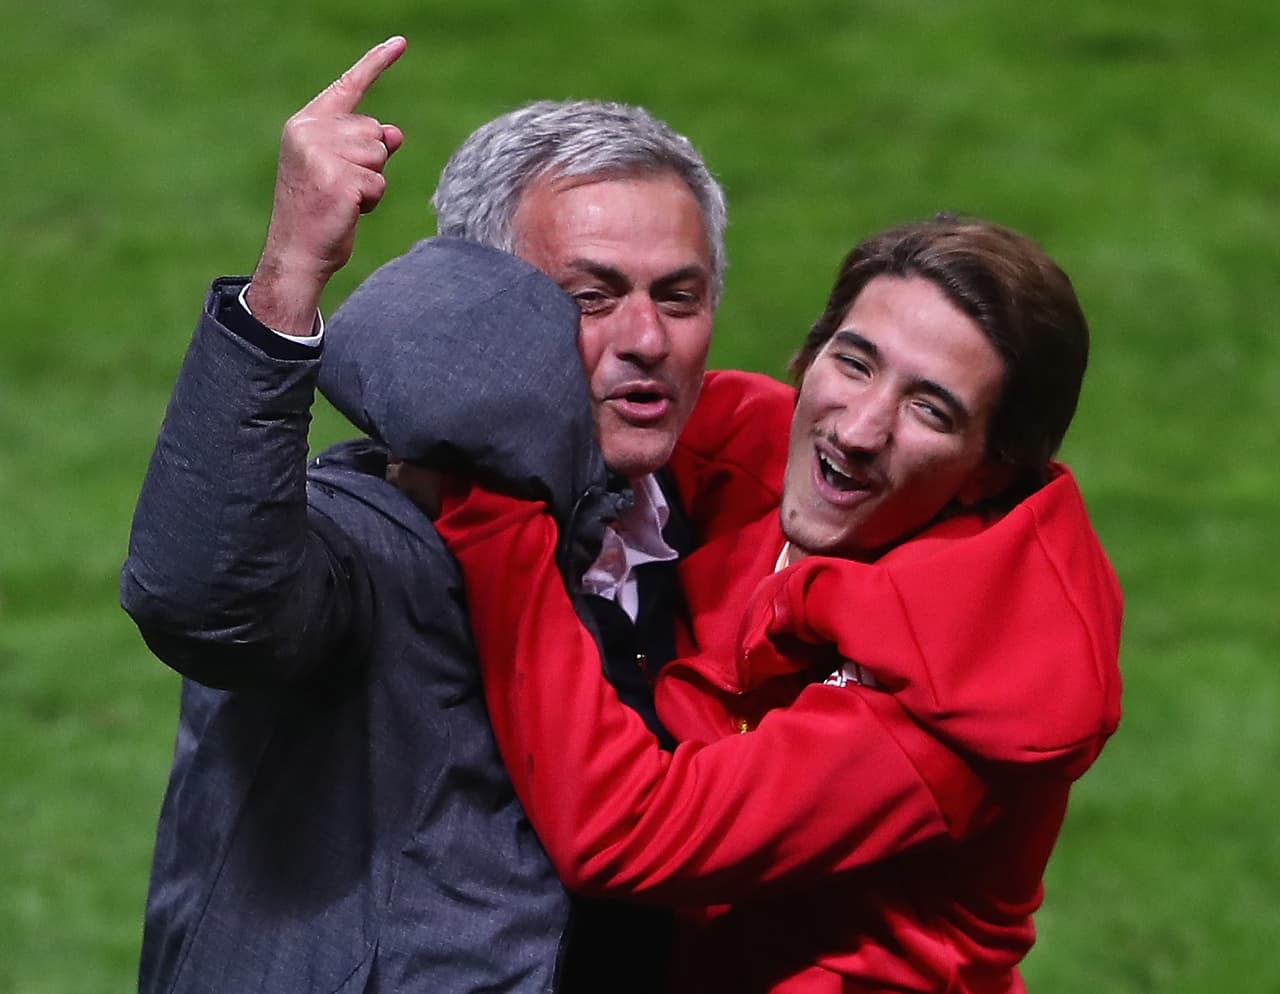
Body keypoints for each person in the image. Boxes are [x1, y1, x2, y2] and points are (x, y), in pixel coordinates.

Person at [348, 216, 1124, 993]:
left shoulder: (976, 681)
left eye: (931, 410)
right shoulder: (747, 450)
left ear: (988, 474)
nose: (858, 430)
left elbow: (624, 833)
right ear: (811, 356)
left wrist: (491, 509)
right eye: (854, 363)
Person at [121, 36, 729, 994]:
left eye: (679, 297)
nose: (646, 340)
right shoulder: (375, 539)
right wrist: (287, 278)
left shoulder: (706, 538)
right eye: (591, 296)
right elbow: (205, 598)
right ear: (473, 303)